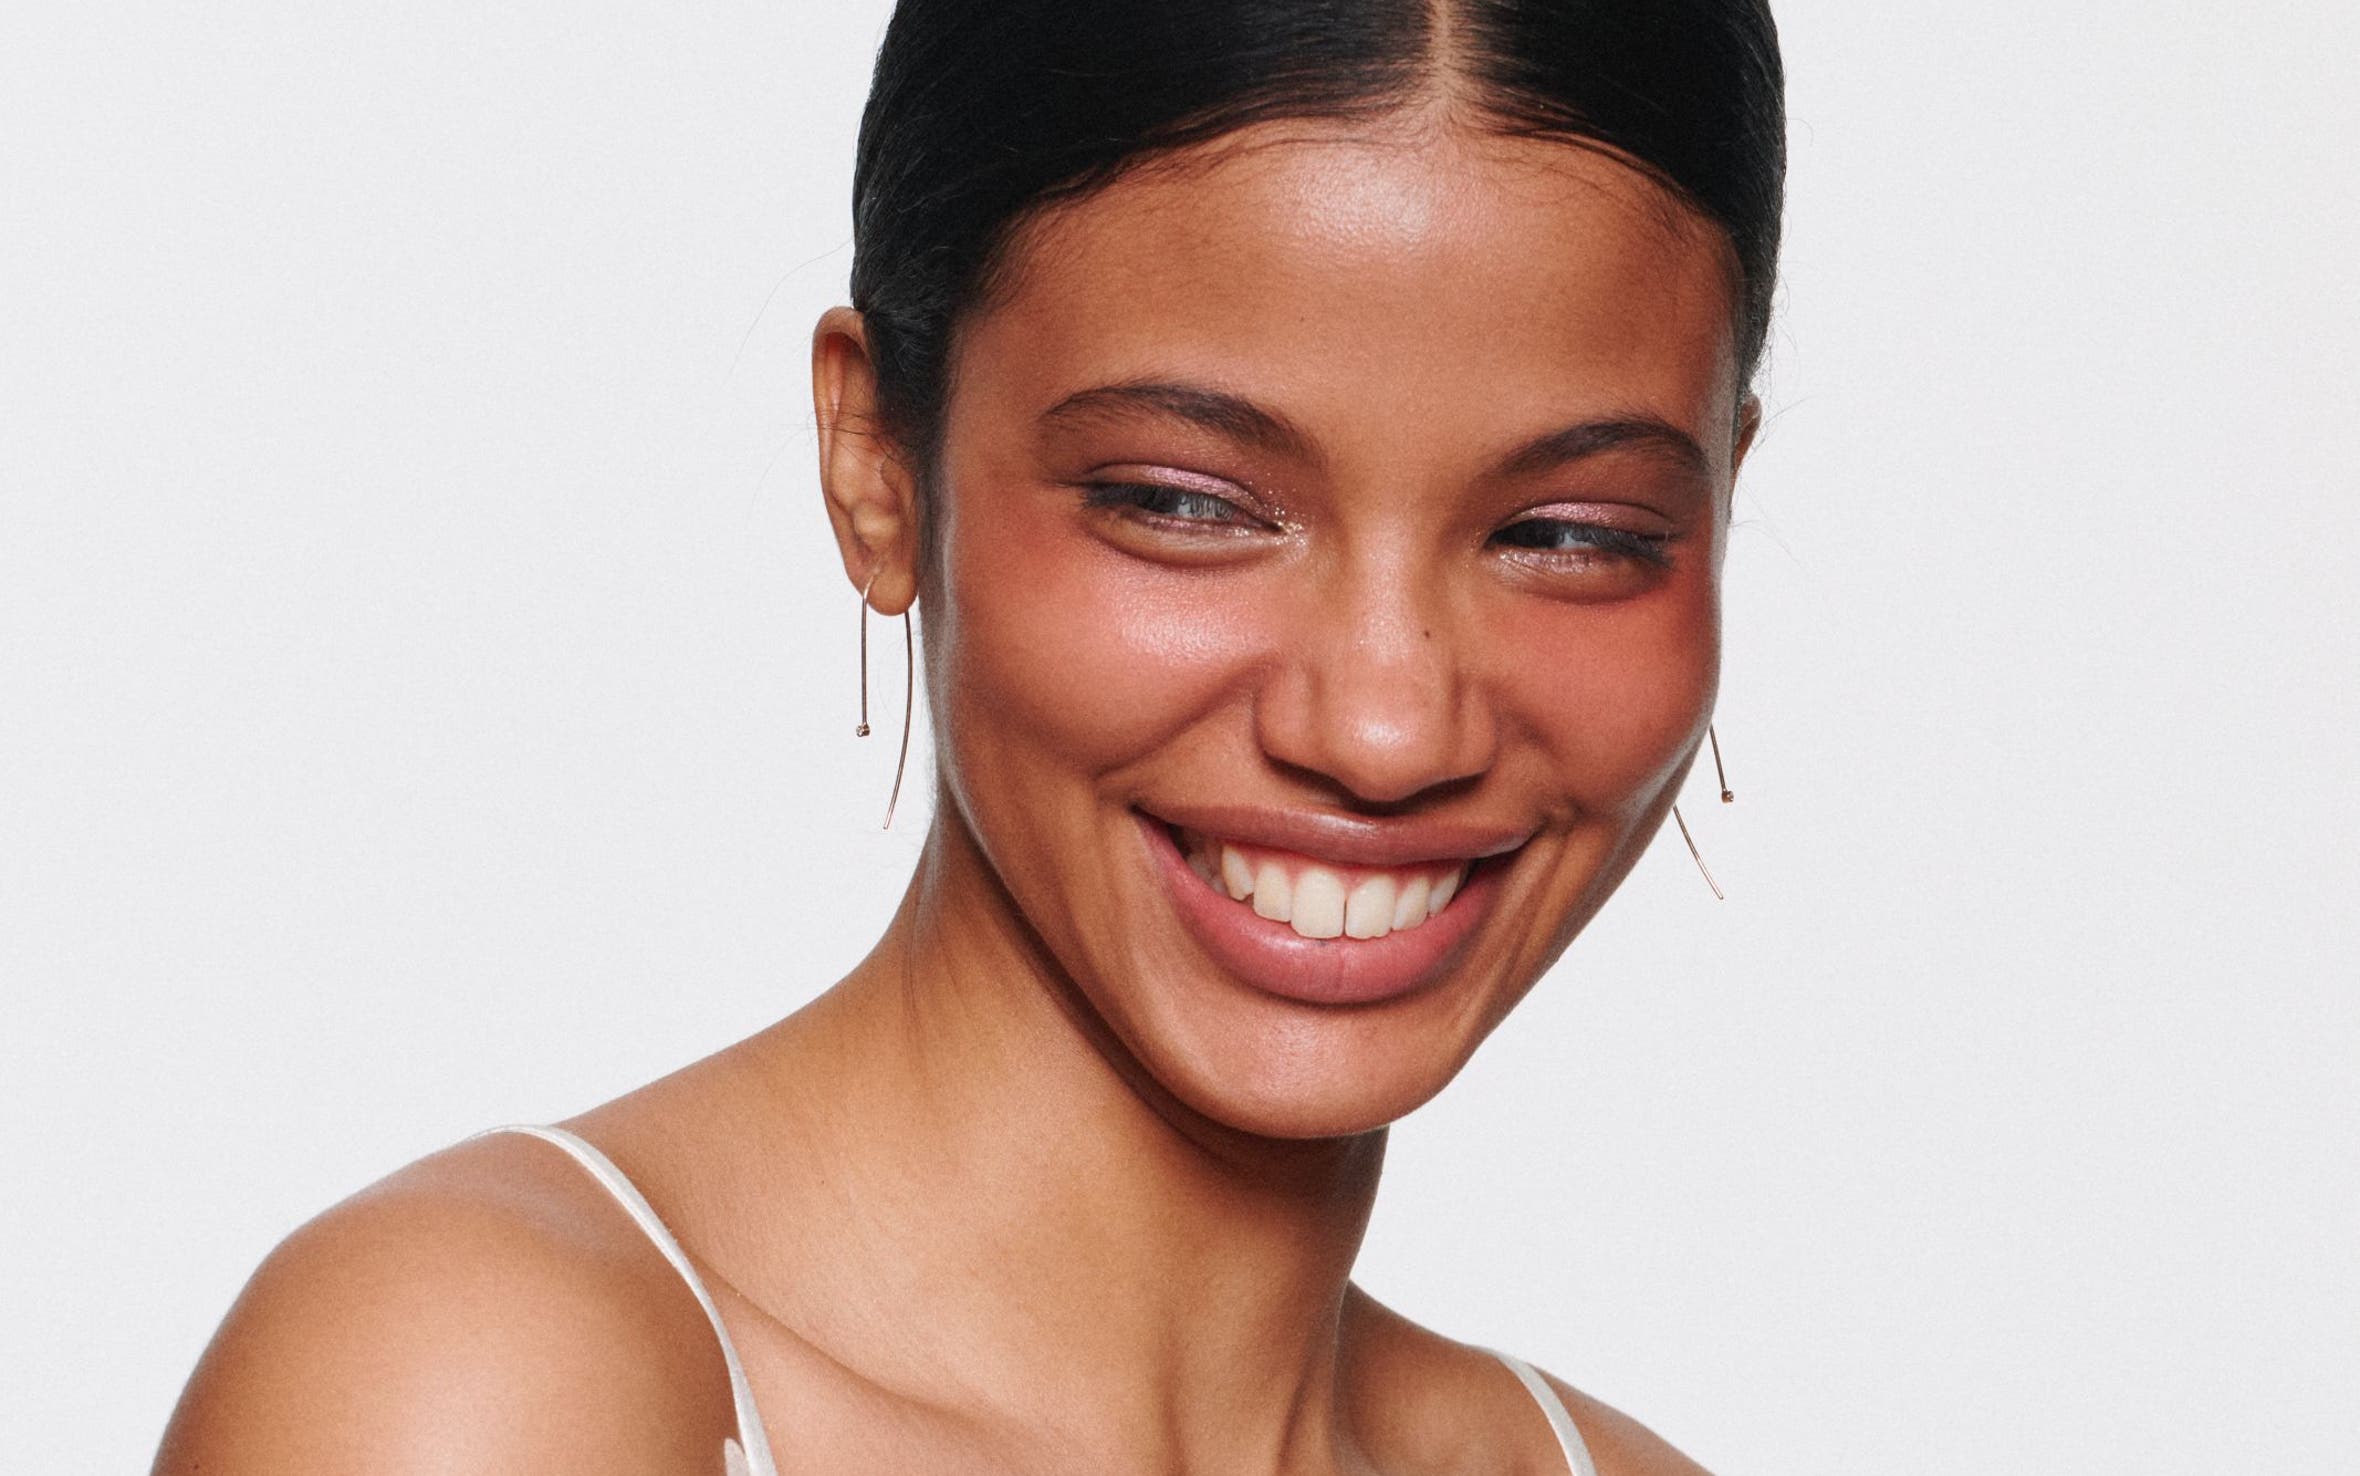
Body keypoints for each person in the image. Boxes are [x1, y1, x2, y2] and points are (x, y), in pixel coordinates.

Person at [154, 1, 1785, 1470]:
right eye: (1182, 504)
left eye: (1573, 532)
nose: (1382, 726)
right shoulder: (489, 1395)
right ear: (878, 463)